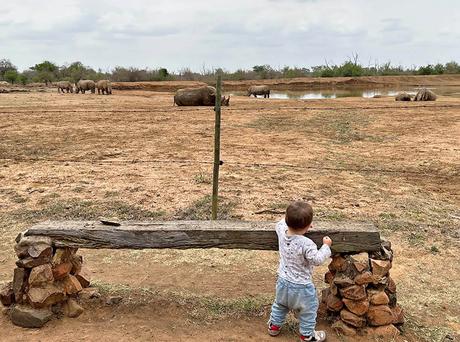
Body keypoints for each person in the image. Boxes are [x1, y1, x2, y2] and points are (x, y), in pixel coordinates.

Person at [268, 201, 332, 341]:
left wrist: (293, 220)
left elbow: (280, 223)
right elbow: (317, 260)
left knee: (280, 305)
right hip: (302, 287)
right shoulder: (307, 244)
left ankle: (274, 326)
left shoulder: (281, 231)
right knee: (308, 311)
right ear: (309, 226)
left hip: (283, 282)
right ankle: (307, 335)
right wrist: (326, 246)